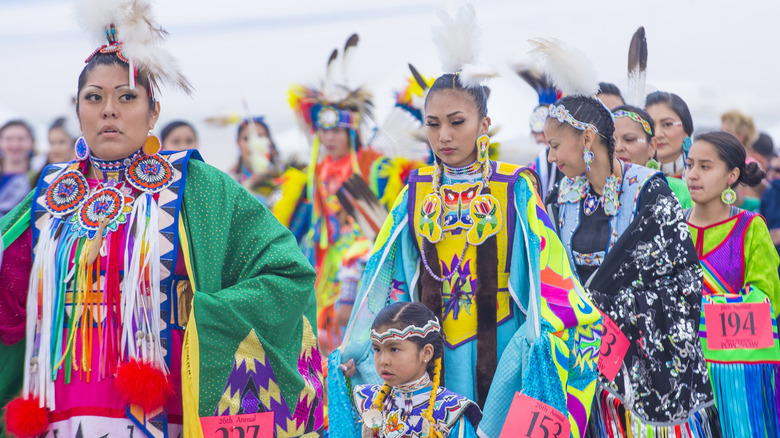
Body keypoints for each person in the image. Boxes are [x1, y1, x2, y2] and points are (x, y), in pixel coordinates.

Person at [0, 2, 323, 437]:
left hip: (162, 405)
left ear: (154, 111)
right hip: (64, 405)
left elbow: (286, 272)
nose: (109, 110)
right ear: (78, 109)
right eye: (94, 97)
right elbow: (10, 294)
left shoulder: (196, 186)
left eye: (127, 97)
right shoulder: (51, 193)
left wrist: (206, 319)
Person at [329, 13, 602, 438]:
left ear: (484, 125)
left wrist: (543, 336)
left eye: (457, 122)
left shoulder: (514, 188)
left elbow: (549, 274)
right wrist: (362, 346)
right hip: (427, 356)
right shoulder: (414, 193)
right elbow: (385, 276)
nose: (444, 136)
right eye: (433, 124)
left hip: (505, 348)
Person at [537, 40, 719, 435]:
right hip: (581, 363)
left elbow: (682, 282)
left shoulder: (650, 191)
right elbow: (549, 271)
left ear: (586, 140)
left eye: (555, 145)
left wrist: (609, 306)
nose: (550, 158)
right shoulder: (560, 196)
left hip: (644, 365)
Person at [684, 132, 780, 437]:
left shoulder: (749, 228)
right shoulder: (673, 228)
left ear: (732, 175)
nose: (693, 175)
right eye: (689, 165)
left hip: (736, 382)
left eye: (705, 166)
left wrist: (700, 309)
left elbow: (766, 300)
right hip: (681, 377)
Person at [353, 302, 482, 437]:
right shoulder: (368, 403)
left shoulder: (449, 412)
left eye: (394, 349)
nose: (383, 360)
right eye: (377, 349)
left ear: (426, 353)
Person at [612, 104, 692, 208]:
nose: (618, 147)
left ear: (652, 146)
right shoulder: (591, 189)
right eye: (611, 141)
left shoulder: (680, 191)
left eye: (629, 139)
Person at [513, 63, 562, 201]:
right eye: (536, 132)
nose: (540, 138)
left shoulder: (568, 165)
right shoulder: (523, 161)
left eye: (545, 132)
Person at [230, 116, 283, 204]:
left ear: (269, 141)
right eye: (247, 138)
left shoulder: (284, 177)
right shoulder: (230, 182)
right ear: (238, 143)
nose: (253, 143)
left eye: (260, 136)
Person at [645, 91, 693, 179]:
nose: (658, 134)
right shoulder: (632, 178)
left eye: (667, 124)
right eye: (651, 125)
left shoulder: (701, 178)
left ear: (686, 128)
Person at [0, 120, 35, 217]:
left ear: (31, 142)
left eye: (21, 139)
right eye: (9, 139)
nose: (15, 145)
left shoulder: (39, 179)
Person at [761, 153, 780, 275]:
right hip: (770, 262)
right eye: (769, 168)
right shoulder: (769, 193)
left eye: (777, 170)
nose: (771, 174)